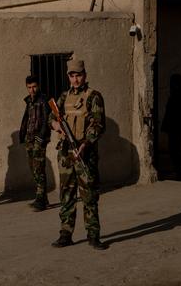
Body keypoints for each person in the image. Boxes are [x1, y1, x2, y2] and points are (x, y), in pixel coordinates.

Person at [50, 58, 108, 250]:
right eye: (72, 76)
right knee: (66, 195)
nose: (75, 79)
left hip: (85, 154)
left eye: (79, 75)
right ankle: (65, 234)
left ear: (85, 75)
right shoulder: (63, 97)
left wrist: (85, 143)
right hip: (66, 155)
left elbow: (98, 125)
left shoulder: (93, 96)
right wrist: (56, 124)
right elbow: (51, 117)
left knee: (89, 196)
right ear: (68, 77)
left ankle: (93, 235)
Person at [18, 75, 51, 211]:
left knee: (39, 168)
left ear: (38, 86)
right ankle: (43, 198)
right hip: (29, 139)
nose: (32, 90)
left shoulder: (43, 100)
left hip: (38, 139)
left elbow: (46, 120)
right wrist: (23, 134)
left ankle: (40, 200)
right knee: (33, 168)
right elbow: (27, 119)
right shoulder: (29, 101)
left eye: (34, 87)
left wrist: (41, 137)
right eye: (29, 87)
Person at [161, 73, 181, 180]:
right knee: (174, 150)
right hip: (175, 128)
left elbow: (176, 114)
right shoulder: (178, 94)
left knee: (174, 150)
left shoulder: (180, 94)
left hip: (177, 128)